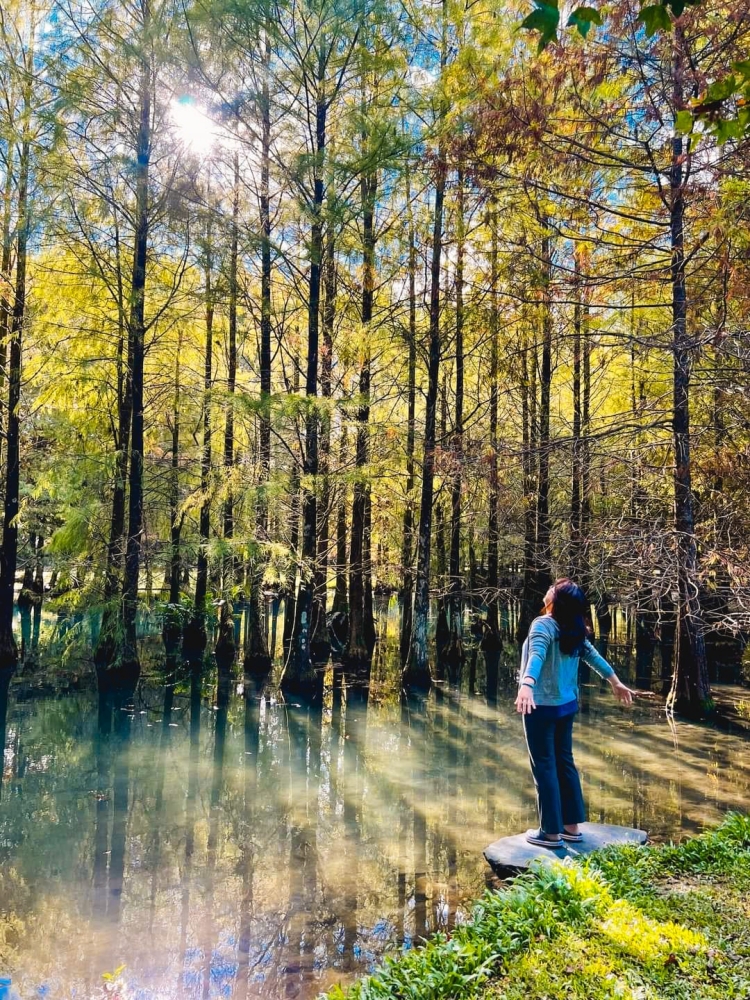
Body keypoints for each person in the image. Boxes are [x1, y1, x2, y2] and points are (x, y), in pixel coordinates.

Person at [515, 578, 634, 848]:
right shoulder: (573, 627)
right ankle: (571, 828)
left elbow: (536, 654)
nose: (546, 590)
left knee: (544, 765)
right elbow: (592, 656)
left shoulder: (543, 624)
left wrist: (526, 685)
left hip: (540, 706)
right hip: (566, 706)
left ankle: (550, 833)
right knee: (564, 763)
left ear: (556, 601)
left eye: (551, 589)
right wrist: (615, 681)